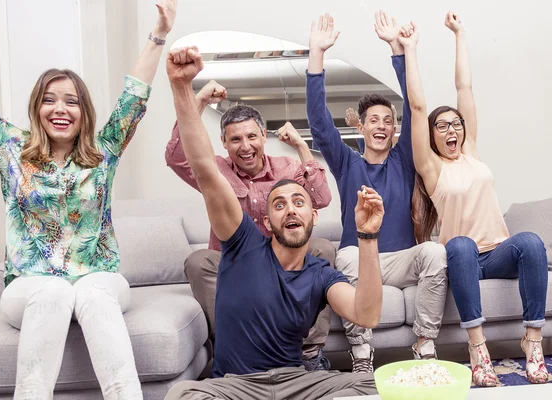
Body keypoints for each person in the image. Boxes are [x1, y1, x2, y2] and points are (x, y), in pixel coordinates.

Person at [0, 1, 178, 398]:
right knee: (54, 292)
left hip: (99, 279)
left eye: (71, 101)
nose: (60, 108)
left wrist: (159, 32)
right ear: (37, 107)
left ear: (84, 111)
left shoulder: (103, 152)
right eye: (50, 99)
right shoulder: (10, 149)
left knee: (90, 291)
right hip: (29, 286)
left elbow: (134, 96)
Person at [163, 44, 382, 400]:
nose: (291, 209)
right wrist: (183, 90)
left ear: (314, 215)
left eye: (300, 202)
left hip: (297, 381)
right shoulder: (244, 243)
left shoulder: (320, 273)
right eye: (279, 204)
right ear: (266, 218)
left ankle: (315, 358)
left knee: (377, 385)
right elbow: (202, 166)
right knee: (182, 395)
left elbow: (366, 314)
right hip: (236, 385)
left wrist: (367, 237)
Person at [400, 11, 550, 386]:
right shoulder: (431, 169)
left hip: (497, 253)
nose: (452, 129)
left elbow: (464, 88)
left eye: (456, 124)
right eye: (442, 125)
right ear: (432, 136)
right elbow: (418, 107)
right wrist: (410, 50)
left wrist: (460, 33)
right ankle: (478, 349)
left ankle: (533, 342)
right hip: (463, 258)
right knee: (463, 244)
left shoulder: (473, 154)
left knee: (531, 242)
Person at [306, 11, 448, 373]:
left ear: (394, 129)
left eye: (388, 120)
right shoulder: (347, 163)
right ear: (363, 127)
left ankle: (424, 342)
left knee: (434, 250)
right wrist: (316, 55)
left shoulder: (404, 159)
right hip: (363, 263)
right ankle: (361, 350)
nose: (382, 125)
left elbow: (415, 109)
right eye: (374, 120)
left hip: (401, 260)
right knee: (347, 256)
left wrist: (397, 52)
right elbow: (320, 124)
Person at [165, 80, 337, 369]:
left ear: (263, 136)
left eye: (251, 137)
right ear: (224, 143)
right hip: (237, 269)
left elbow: (321, 196)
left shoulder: (286, 168)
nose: (245, 147)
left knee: (322, 249)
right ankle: (232, 345)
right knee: (198, 261)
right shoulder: (215, 169)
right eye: (235, 140)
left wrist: (300, 146)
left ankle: (308, 354)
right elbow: (175, 156)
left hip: (284, 265)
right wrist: (200, 101)